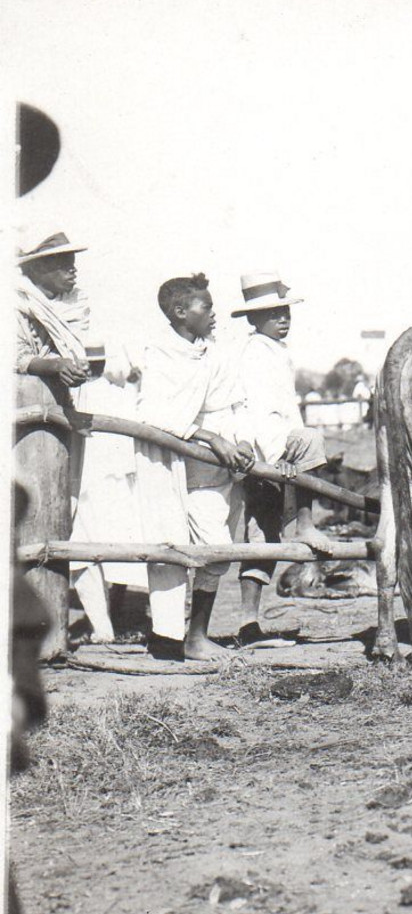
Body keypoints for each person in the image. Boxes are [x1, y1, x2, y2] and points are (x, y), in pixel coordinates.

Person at [135, 273, 255, 660]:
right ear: (180, 311)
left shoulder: (213, 352)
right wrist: (210, 438)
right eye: (206, 307)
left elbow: (232, 402)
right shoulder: (160, 353)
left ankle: (196, 634)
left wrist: (239, 440)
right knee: (168, 547)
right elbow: (154, 413)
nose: (214, 313)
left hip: (212, 469)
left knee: (216, 548)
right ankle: (167, 637)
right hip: (169, 463)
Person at [231, 272, 334, 648]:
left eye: (285, 311)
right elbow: (257, 412)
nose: (283, 318)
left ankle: (248, 623)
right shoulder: (254, 354)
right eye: (273, 313)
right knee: (261, 531)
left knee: (266, 533)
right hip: (264, 451)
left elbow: (287, 410)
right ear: (253, 319)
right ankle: (305, 524)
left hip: (279, 446)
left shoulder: (277, 351)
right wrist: (279, 457)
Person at [15, 232, 93, 660]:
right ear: (36, 269)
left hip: (60, 413)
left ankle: (51, 628)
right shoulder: (18, 302)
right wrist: (56, 365)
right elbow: (17, 358)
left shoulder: (73, 305)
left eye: (71, 258)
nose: (71, 267)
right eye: (60, 260)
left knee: (59, 513)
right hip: (26, 416)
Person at [66, 339, 149, 643]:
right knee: (116, 551)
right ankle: (107, 623)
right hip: (119, 483)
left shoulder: (72, 396)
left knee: (83, 555)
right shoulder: (122, 395)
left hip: (88, 484)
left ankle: (103, 628)